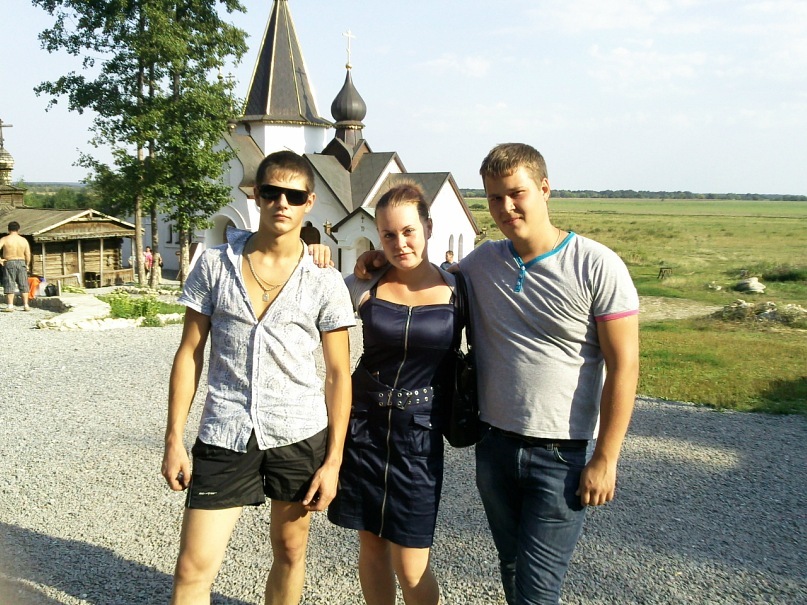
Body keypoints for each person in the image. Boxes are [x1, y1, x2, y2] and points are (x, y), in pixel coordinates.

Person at [355, 143, 640, 605]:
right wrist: (376, 261)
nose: (506, 207)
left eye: (516, 193)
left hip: (560, 454)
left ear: (544, 189)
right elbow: (424, 272)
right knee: (511, 569)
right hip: (495, 449)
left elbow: (625, 364)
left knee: (536, 590)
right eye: (493, 198)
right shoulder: (481, 263)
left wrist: (606, 457)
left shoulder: (596, 265)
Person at [160, 150, 355, 605]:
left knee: (290, 551)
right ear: (256, 195)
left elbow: (338, 375)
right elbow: (189, 353)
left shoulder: (324, 280)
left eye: (294, 195)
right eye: (272, 192)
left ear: (309, 202)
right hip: (225, 430)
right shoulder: (214, 265)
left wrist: (334, 462)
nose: (282, 203)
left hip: (298, 432)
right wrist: (173, 438)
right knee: (192, 567)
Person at [327, 182, 459, 605]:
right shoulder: (362, 284)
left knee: (412, 564)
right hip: (364, 430)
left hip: (419, 437)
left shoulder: (459, 288)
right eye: (388, 235)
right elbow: (307, 300)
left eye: (408, 231)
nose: (399, 243)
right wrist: (313, 254)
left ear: (428, 228)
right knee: (371, 546)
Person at [0, 221, 33, 312]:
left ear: (8, 229)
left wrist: (0, 260)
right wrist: (27, 264)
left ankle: (10, 306)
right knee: (23, 283)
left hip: (9, 261)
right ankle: (26, 305)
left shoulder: (5, 239)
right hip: (21, 262)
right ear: (18, 229)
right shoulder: (23, 240)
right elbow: (28, 254)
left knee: (9, 283)